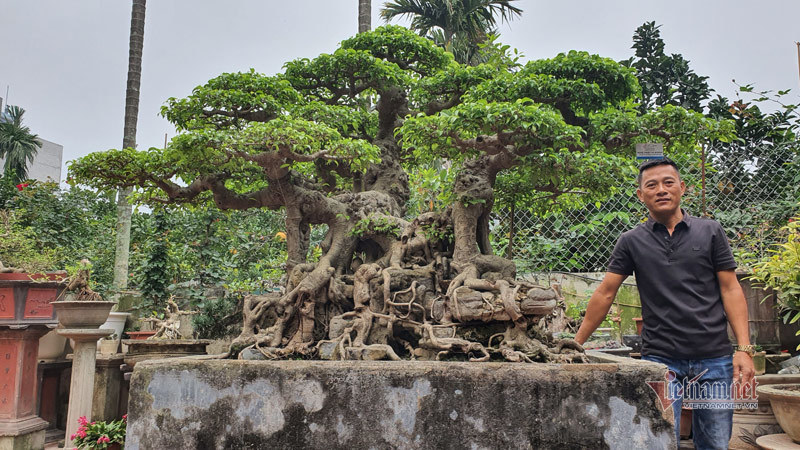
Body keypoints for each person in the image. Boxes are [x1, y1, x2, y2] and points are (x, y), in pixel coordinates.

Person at [574, 158, 755, 450]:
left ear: (682, 188)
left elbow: (731, 289)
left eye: (668, 183)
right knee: (659, 443)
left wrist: (744, 349)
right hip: (661, 362)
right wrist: (575, 344)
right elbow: (606, 293)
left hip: (714, 358)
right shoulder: (631, 241)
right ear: (640, 195)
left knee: (715, 443)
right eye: (652, 185)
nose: (661, 190)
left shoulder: (710, 231)